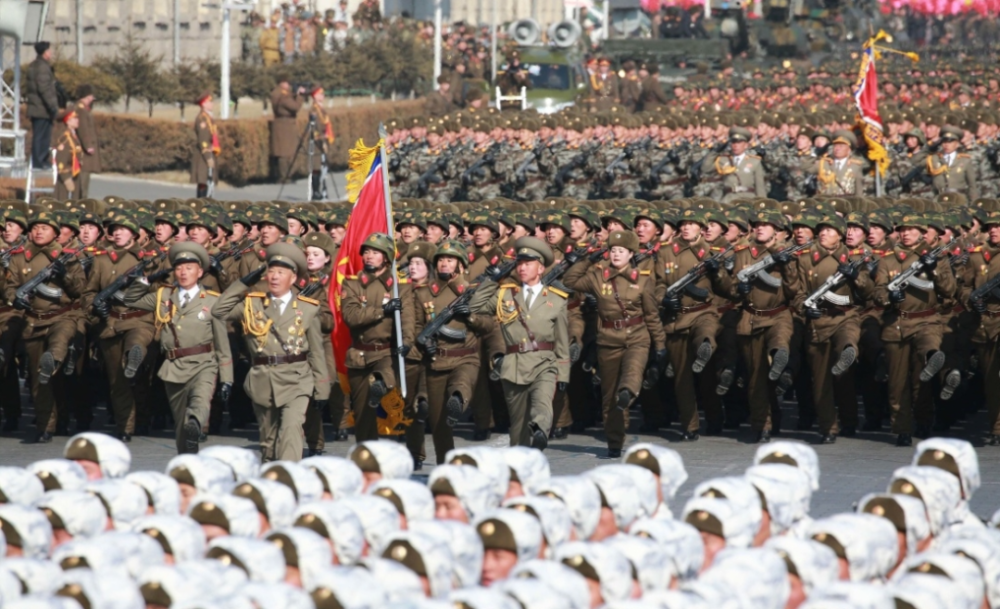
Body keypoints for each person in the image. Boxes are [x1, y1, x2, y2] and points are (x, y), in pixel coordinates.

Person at [212, 242, 330, 462]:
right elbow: (218, 312)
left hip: (296, 378)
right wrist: (243, 283)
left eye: (281, 272)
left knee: (291, 431)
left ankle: (289, 476)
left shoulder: (308, 308)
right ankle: (270, 477)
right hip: (262, 378)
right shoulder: (252, 304)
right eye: (271, 271)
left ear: (293, 278)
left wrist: (322, 387)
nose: (274, 277)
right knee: (268, 442)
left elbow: (316, 351)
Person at [563, 230, 666, 458]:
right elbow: (569, 281)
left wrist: (659, 345)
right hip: (608, 340)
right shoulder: (598, 277)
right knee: (610, 398)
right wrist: (588, 259)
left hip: (637, 337)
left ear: (631, 254)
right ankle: (614, 442)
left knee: (632, 371)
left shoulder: (643, 279)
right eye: (613, 250)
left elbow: (651, 315)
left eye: (621, 251)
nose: (616, 254)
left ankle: (628, 390)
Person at [122, 242, 232, 455]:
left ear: (200, 272)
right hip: (173, 366)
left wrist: (227, 378)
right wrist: (148, 280)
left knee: (199, 403)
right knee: (181, 422)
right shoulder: (164, 296)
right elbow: (130, 299)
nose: (183, 272)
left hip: (204, 363)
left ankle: (197, 424)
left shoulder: (212, 300)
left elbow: (222, 344)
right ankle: (187, 458)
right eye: (179, 268)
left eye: (189, 268)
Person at [470, 237, 570, 449]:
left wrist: (564, 372)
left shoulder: (556, 299)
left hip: (545, 362)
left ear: (540, 267)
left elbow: (562, 340)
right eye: (519, 263)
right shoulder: (505, 294)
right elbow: (475, 306)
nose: (522, 268)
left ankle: (541, 430)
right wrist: (493, 280)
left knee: (542, 404)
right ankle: (522, 462)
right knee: (518, 425)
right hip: (514, 364)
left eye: (528, 263)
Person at [5, 211, 86, 443]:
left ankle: (57, 356)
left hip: (62, 317)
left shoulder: (67, 257)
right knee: (40, 379)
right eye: (36, 227)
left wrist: (66, 275)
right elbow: (11, 286)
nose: (39, 231)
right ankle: (46, 427)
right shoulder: (20, 258)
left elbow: (79, 290)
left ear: (56, 233)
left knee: (56, 348)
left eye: (45, 227)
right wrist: (15, 298)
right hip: (32, 321)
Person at [26, 41, 59, 170]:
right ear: (44, 52)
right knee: (42, 136)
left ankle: (40, 160)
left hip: (37, 107)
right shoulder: (42, 67)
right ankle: (40, 161)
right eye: (49, 50)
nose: (50, 53)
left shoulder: (35, 65)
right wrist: (53, 106)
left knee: (40, 135)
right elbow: (44, 89)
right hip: (42, 108)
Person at [270, 78, 306, 181]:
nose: (288, 85)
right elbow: (294, 107)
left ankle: (285, 175)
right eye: (287, 83)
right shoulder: (281, 95)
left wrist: (295, 93)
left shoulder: (279, 93)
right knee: (284, 153)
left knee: (286, 151)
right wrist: (299, 96)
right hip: (284, 126)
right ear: (282, 82)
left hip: (283, 125)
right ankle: (284, 176)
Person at [71, 84, 101, 199]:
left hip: (84, 150)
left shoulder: (81, 109)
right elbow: (83, 129)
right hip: (84, 152)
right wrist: (88, 145)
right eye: (89, 97)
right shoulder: (81, 111)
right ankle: (82, 203)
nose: (91, 100)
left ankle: (81, 200)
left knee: (84, 178)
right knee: (83, 179)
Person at [307, 87, 335, 201]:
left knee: (323, 167)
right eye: (320, 94)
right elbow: (316, 127)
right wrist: (321, 140)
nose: (323, 96)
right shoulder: (314, 109)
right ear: (315, 96)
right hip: (317, 140)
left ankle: (323, 190)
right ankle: (316, 191)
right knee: (316, 166)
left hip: (323, 139)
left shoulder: (321, 109)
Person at [191, 92, 220, 198]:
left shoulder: (208, 118)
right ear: (203, 104)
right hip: (203, 156)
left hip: (210, 152)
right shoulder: (202, 119)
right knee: (203, 182)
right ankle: (200, 207)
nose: (212, 104)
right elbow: (203, 140)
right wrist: (208, 157)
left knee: (207, 182)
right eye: (209, 102)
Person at [53, 109, 83, 201]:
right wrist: (66, 178)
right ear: (68, 121)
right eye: (74, 118)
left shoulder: (74, 135)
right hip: (67, 177)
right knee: (63, 202)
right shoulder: (66, 137)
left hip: (75, 174)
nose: (77, 120)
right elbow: (61, 158)